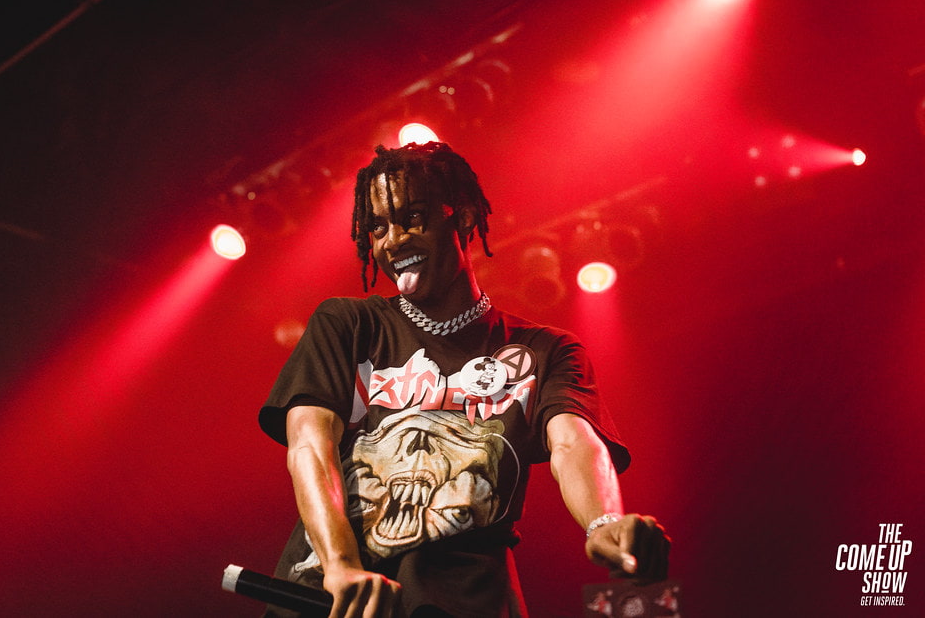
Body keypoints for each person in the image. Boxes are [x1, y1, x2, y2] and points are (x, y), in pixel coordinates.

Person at [258, 141, 670, 617]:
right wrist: (341, 564)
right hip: (335, 598)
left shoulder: (545, 350)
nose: (392, 240)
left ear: (466, 218)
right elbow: (309, 445)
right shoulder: (348, 324)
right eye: (377, 226)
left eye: (412, 218)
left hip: (464, 602)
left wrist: (604, 522)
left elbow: (573, 444)